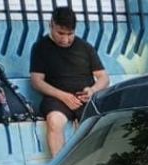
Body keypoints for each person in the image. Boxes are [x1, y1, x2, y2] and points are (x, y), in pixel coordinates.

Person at [29, 6, 109, 157]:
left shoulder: (85, 48)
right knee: (54, 121)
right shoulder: (40, 47)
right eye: (60, 33)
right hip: (56, 99)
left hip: (84, 99)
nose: (65, 39)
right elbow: (36, 81)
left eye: (70, 34)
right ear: (51, 24)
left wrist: (92, 90)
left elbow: (104, 78)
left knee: (93, 126)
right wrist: (63, 96)